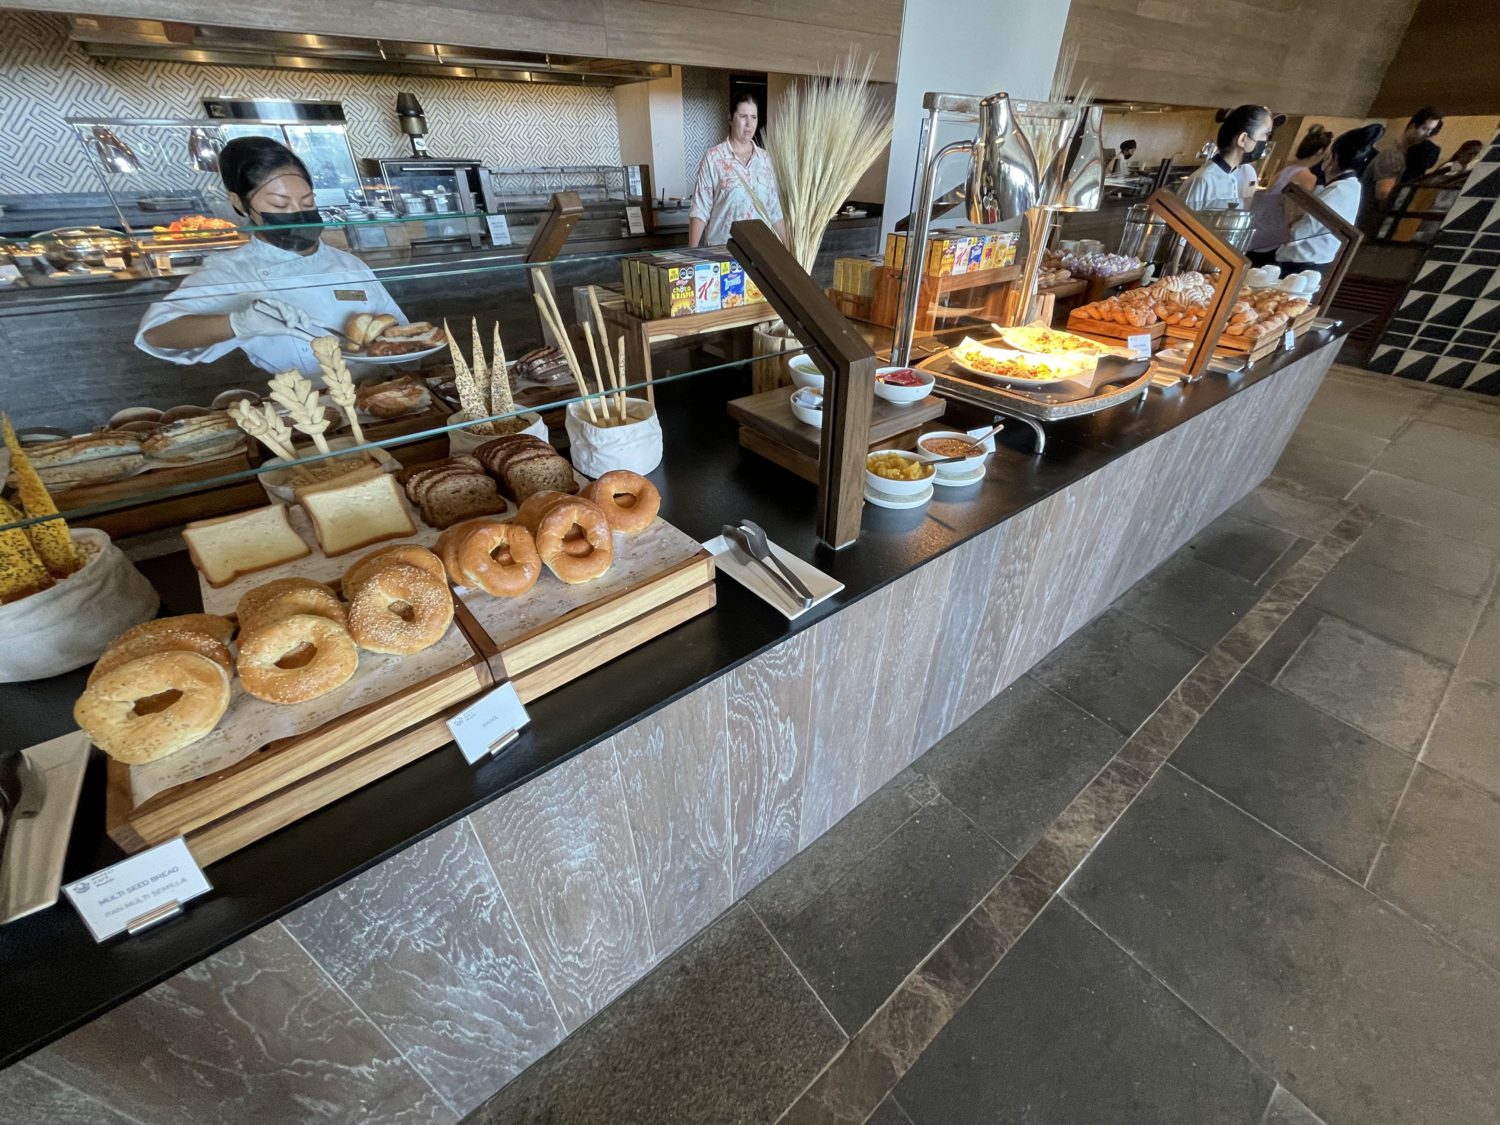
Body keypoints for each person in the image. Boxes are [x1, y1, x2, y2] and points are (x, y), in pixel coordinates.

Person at [137, 137, 404, 376]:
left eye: (308, 202)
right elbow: (156, 334)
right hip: (312, 407)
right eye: (280, 204)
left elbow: (400, 333)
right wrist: (239, 323)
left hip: (386, 394)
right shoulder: (233, 272)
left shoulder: (347, 263)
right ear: (240, 203)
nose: (299, 213)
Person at [1275, 124, 1385, 278]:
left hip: (1303, 266)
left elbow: (1299, 232)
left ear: (1334, 158)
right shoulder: (1347, 187)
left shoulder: (1339, 190)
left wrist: (1288, 207)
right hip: (1302, 264)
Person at [687, 92, 786, 248]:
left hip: (762, 254)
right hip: (723, 253)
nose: (749, 124)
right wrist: (691, 255)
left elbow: (774, 210)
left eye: (753, 117)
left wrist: (789, 251)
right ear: (731, 118)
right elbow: (700, 209)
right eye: (743, 116)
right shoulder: (714, 157)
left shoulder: (765, 159)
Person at [1246, 126, 1332, 266]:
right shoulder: (1308, 177)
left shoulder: (1285, 168)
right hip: (1275, 233)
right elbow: (1294, 212)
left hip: (1261, 226)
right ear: (1320, 152)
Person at [1177, 105, 1275, 211]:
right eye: (1266, 134)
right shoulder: (1203, 180)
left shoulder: (1249, 173)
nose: (1266, 141)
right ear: (1243, 139)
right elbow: (1180, 222)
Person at [1364, 107, 1444, 206]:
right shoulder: (1392, 155)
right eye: (1425, 129)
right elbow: (1383, 194)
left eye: (1430, 131)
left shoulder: (1409, 157)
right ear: (1412, 126)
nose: (1427, 135)